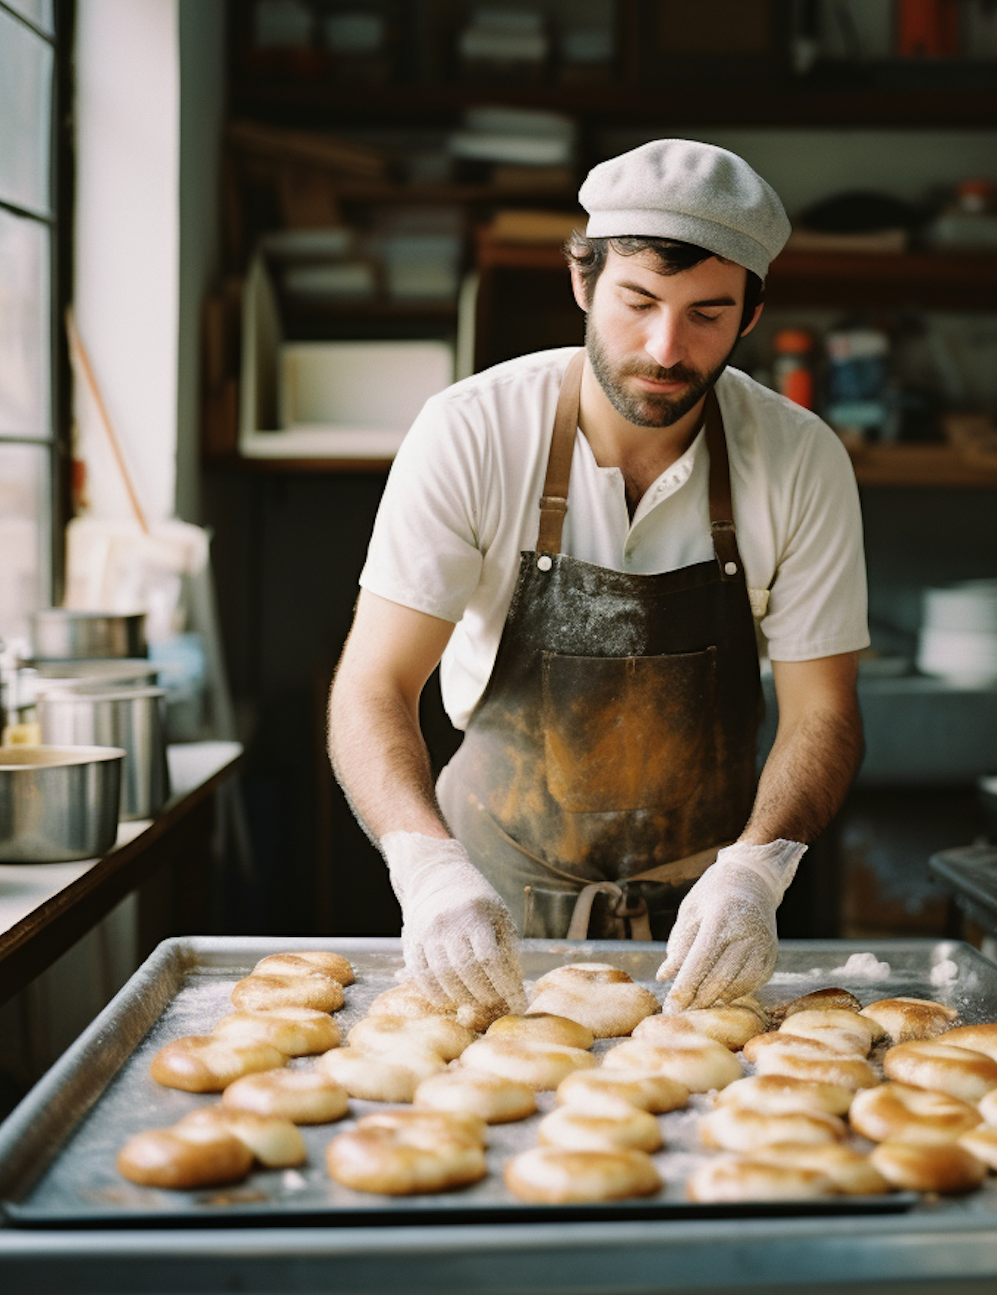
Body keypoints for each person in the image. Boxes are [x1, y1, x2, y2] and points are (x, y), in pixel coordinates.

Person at [329, 138, 867, 1020]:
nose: (665, 348)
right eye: (638, 300)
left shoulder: (800, 459)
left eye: (707, 313)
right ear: (583, 281)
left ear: (751, 316)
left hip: (715, 927)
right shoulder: (471, 432)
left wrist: (756, 871)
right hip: (489, 914)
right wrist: (426, 869)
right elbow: (373, 685)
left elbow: (825, 710)